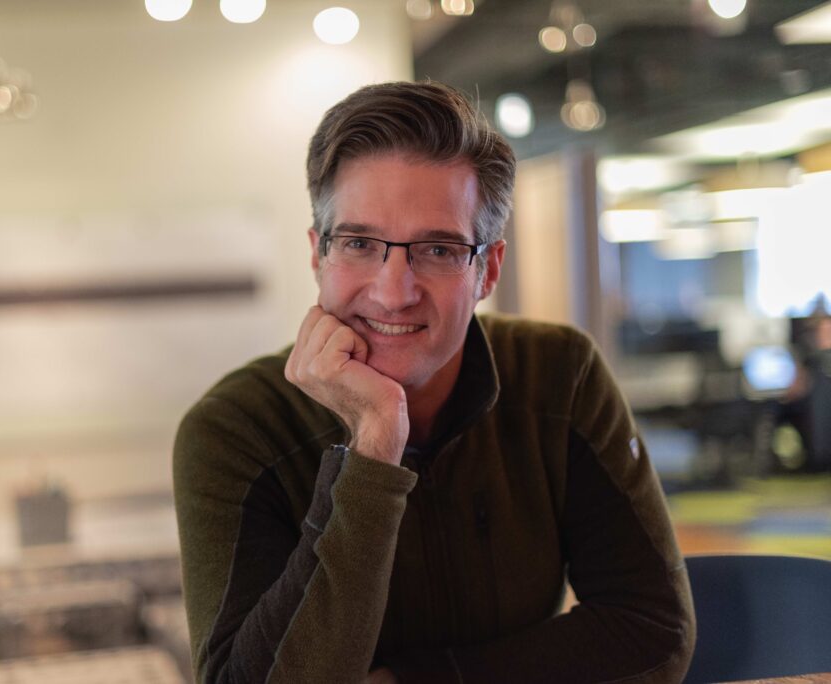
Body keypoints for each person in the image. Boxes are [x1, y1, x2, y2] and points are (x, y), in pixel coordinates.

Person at [173, 81, 695, 683]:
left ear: (488, 270)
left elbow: (653, 633)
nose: (394, 292)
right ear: (319, 256)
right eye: (360, 243)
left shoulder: (558, 373)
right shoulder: (235, 428)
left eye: (439, 250)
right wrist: (371, 449)